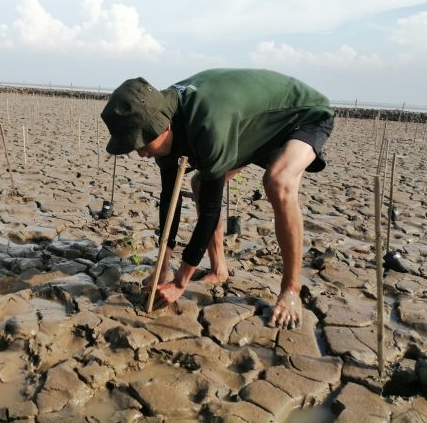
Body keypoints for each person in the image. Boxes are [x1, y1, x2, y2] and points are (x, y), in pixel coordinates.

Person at [101, 68, 334, 329]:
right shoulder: (159, 112)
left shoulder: (208, 124)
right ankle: (219, 269)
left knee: (277, 182)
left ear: (163, 127)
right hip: (248, 124)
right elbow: (170, 199)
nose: (141, 152)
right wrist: (162, 267)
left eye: (143, 144)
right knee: (200, 182)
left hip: (303, 116)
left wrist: (180, 282)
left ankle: (291, 289)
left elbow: (211, 211)